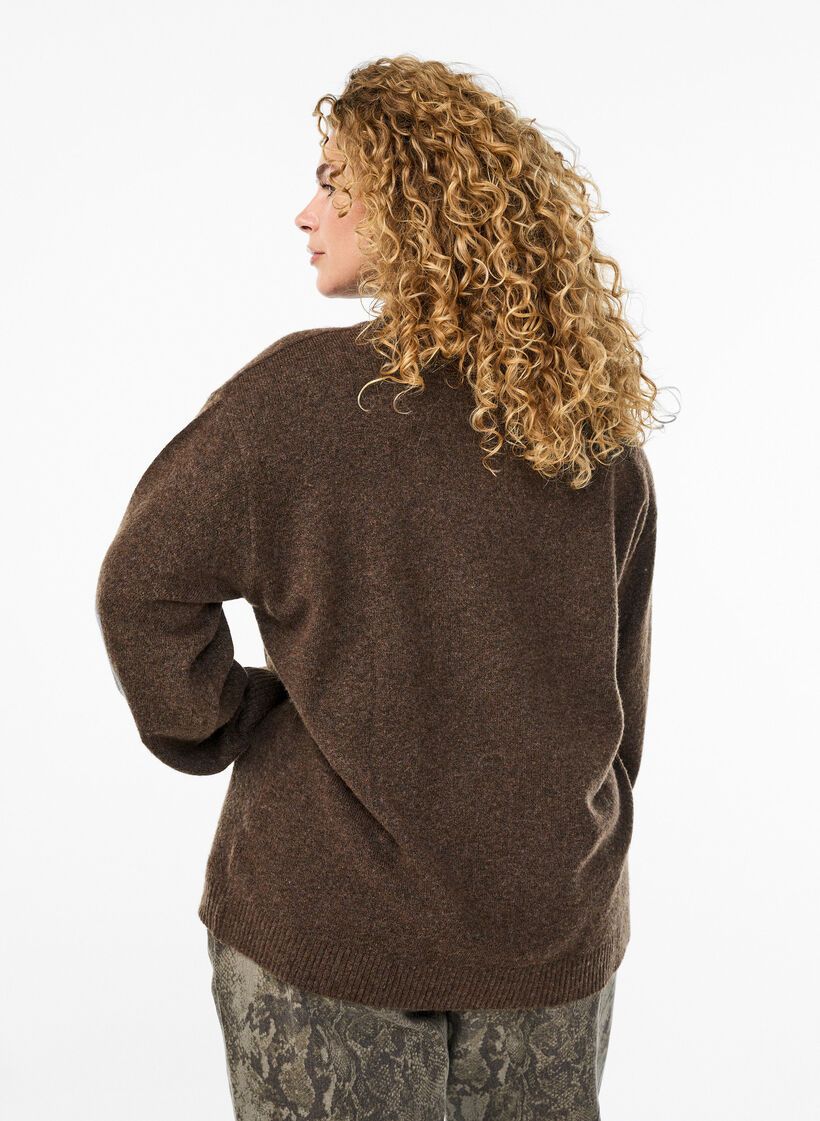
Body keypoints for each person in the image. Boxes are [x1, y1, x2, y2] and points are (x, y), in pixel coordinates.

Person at [96, 54, 666, 1121]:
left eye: (334, 182)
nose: (305, 212)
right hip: (550, 921)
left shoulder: (293, 401)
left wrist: (226, 722)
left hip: (325, 920)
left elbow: (142, 588)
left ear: (411, 205)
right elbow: (619, 696)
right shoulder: (590, 432)